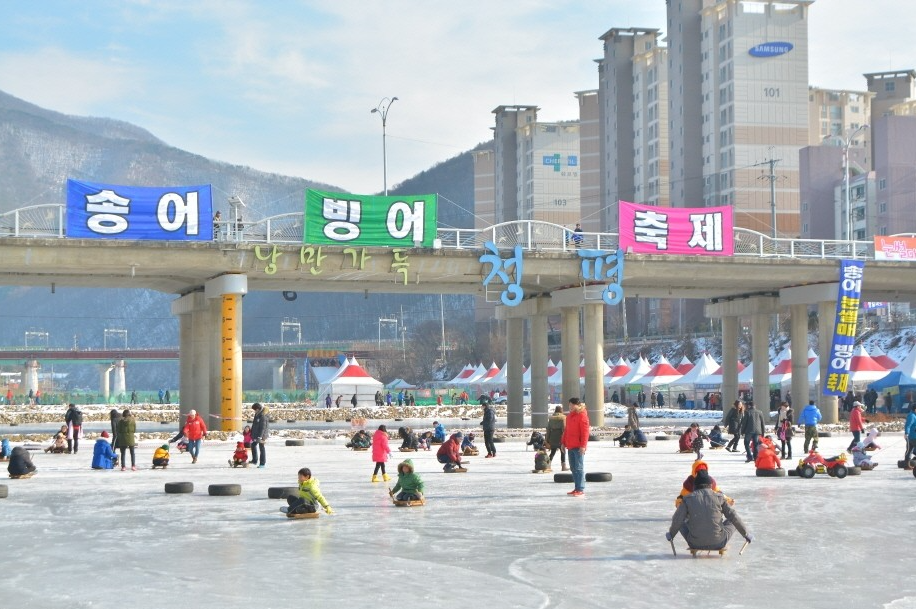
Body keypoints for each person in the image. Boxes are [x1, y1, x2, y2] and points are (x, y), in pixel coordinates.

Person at [667, 469, 752, 552]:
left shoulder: (687, 499)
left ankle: (699, 537)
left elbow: (677, 519)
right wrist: (746, 534)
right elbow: (733, 516)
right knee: (732, 519)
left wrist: (671, 535)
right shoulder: (719, 497)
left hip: (695, 543)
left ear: (695, 485)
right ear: (710, 485)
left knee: (681, 520)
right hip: (719, 542)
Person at [561, 397, 589, 496]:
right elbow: (566, 431)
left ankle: (580, 489)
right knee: (573, 468)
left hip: (578, 446)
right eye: (569, 405)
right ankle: (576, 488)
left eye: (572, 405)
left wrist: (583, 446)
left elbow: (585, 432)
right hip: (570, 446)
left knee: (579, 468)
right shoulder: (569, 417)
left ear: (578, 405)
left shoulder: (582, 416)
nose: (570, 407)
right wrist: (563, 442)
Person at [545, 405, 567, 470]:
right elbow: (564, 429)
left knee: (552, 452)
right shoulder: (563, 418)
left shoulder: (551, 418)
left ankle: (548, 465)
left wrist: (547, 440)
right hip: (560, 437)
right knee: (563, 452)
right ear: (561, 410)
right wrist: (565, 438)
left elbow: (548, 430)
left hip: (552, 437)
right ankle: (563, 466)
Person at [249, 402, 269, 468]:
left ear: (258, 409)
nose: (254, 411)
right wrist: (251, 433)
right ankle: (254, 460)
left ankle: (262, 463)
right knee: (253, 445)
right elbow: (254, 425)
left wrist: (260, 437)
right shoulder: (257, 414)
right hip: (256, 434)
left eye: (255, 409)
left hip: (262, 435)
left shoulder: (262, 416)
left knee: (261, 448)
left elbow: (263, 427)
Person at [905, 403, 916, 467]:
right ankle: (907, 464)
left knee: (909, 450)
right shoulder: (912, 416)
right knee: (909, 450)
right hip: (913, 437)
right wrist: (906, 433)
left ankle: (907, 465)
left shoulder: (914, 415)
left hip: (912, 436)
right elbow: (908, 425)